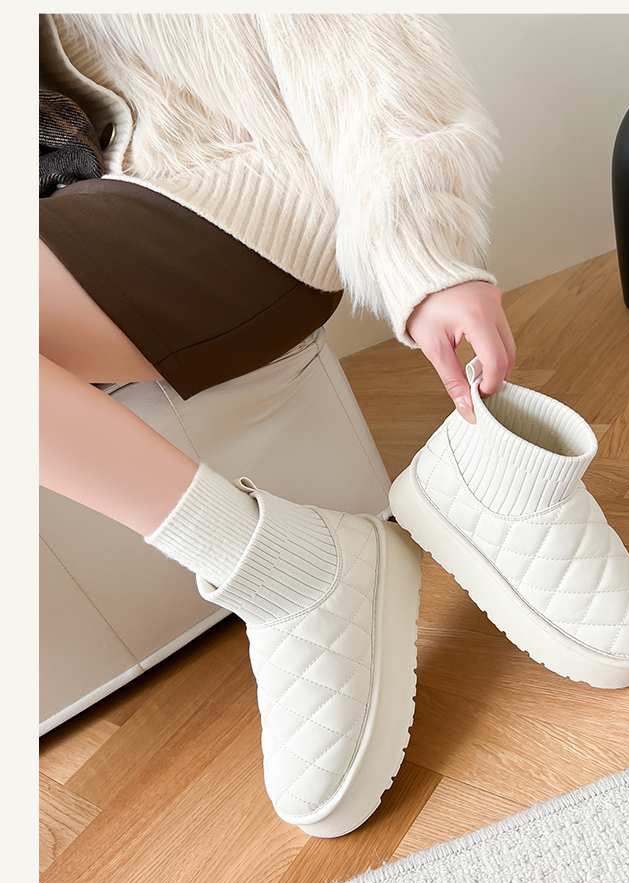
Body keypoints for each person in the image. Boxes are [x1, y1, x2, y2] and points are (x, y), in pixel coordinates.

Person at [39, 13, 516, 837]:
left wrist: (428, 252)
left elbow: (358, 40)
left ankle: (289, 571)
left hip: (234, 202)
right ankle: (290, 565)